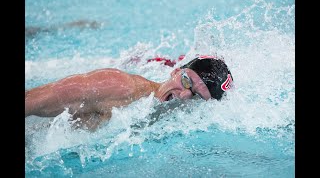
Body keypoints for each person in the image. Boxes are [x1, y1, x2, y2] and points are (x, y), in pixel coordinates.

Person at [25, 54, 233, 131]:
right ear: (175, 70)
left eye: (196, 95)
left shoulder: (180, 127)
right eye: (186, 80)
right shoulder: (119, 87)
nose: (185, 94)